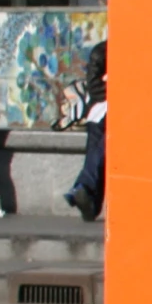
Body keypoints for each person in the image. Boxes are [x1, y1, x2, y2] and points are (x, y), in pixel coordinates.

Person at [62, 40, 107, 222]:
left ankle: (85, 189)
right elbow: (94, 86)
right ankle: (86, 192)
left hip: (109, 112)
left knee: (99, 151)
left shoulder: (103, 50)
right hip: (102, 110)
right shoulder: (103, 52)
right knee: (99, 150)